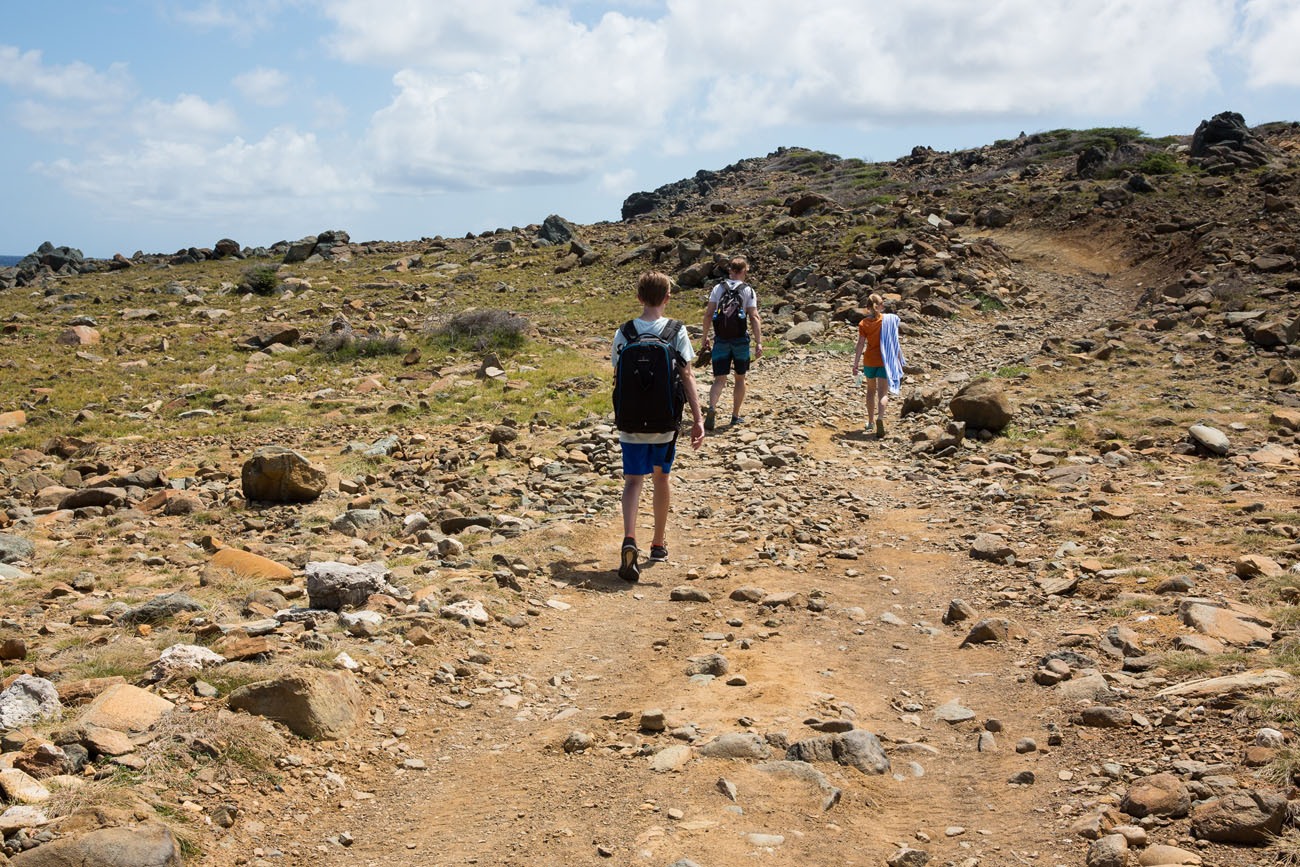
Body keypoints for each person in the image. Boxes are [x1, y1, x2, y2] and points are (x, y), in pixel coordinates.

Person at [611, 271, 705, 582]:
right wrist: (698, 418)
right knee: (661, 478)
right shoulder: (676, 330)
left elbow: (617, 376)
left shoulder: (623, 332)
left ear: (638, 298)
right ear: (667, 298)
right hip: (664, 422)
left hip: (631, 422)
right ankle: (658, 543)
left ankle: (629, 538)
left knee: (633, 482)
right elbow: (687, 376)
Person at [700, 256, 763, 430]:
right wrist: (758, 342)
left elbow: (708, 314)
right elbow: (754, 317)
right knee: (740, 378)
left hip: (721, 339)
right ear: (744, 271)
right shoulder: (748, 290)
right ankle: (735, 416)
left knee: (719, 379)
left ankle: (712, 408)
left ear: (730, 271)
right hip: (740, 340)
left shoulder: (718, 288)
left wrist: (705, 337)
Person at [851, 293, 905, 437]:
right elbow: (895, 343)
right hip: (884, 361)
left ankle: (870, 422)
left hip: (869, 361)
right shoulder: (889, 320)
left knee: (870, 391)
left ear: (867, 307)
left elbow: (861, 344)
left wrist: (855, 363)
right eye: (882, 303)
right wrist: (900, 361)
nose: (883, 305)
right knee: (883, 393)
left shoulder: (863, 324)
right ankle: (880, 418)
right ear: (879, 306)